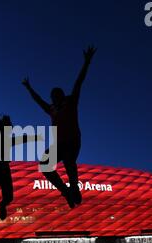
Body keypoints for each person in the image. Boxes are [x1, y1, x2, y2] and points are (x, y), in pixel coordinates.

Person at [22, 45, 97, 208]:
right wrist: (29, 88)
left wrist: (86, 63)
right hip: (60, 144)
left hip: (73, 141)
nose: (54, 98)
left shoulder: (71, 102)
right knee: (44, 165)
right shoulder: (52, 109)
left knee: (70, 162)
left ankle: (74, 188)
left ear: (62, 95)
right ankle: (66, 192)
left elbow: (78, 83)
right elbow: (39, 101)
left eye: (57, 95)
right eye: (53, 96)